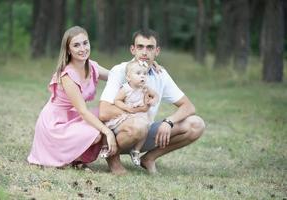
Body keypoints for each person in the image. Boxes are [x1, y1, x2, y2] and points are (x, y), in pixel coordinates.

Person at [99, 29, 205, 175]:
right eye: (140, 47)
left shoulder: (160, 74)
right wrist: (136, 112)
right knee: (138, 126)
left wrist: (168, 122)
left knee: (196, 124)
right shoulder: (120, 71)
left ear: (157, 51)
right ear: (132, 49)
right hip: (119, 134)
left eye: (150, 47)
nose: (144, 52)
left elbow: (188, 106)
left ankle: (148, 159)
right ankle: (113, 159)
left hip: (142, 135)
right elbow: (104, 112)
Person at [27, 26, 117, 168]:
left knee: (107, 114)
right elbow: (83, 111)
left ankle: (78, 159)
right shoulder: (68, 75)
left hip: (73, 116)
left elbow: (117, 77)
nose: (82, 49)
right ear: (68, 50)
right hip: (56, 123)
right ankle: (69, 159)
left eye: (85, 43)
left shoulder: (92, 66)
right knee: (97, 134)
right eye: (76, 45)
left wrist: (143, 66)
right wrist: (108, 132)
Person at [100, 60, 158, 166]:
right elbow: (117, 100)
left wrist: (153, 100)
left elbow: (155, 95)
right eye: (138, 74)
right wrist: (126, 108)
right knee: (108, 125)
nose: (142, 77)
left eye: (144, 74)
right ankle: (105, 146)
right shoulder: (125, 88)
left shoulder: (145, 88)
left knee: (144, 128)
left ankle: (136, 150)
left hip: (140, 115)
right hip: (127, 113)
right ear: (128, 77)